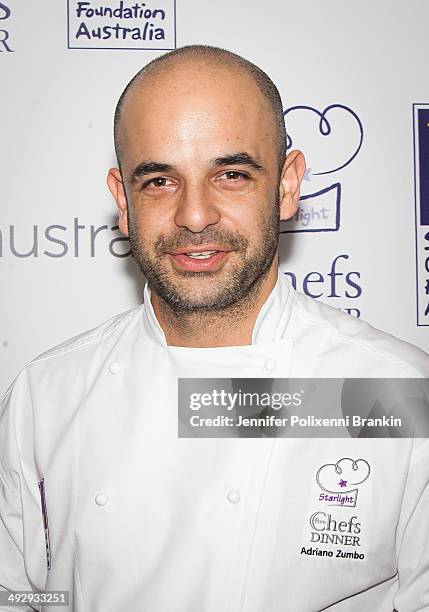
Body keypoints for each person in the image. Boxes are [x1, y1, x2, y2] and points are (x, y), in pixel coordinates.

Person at [1, 44, 428, 612]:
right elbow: (22, 597)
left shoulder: (398, 394)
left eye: (231, 174)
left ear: (287, 185)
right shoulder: (45, 395)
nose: (194, 215)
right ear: (121, 201)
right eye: (158, 181)